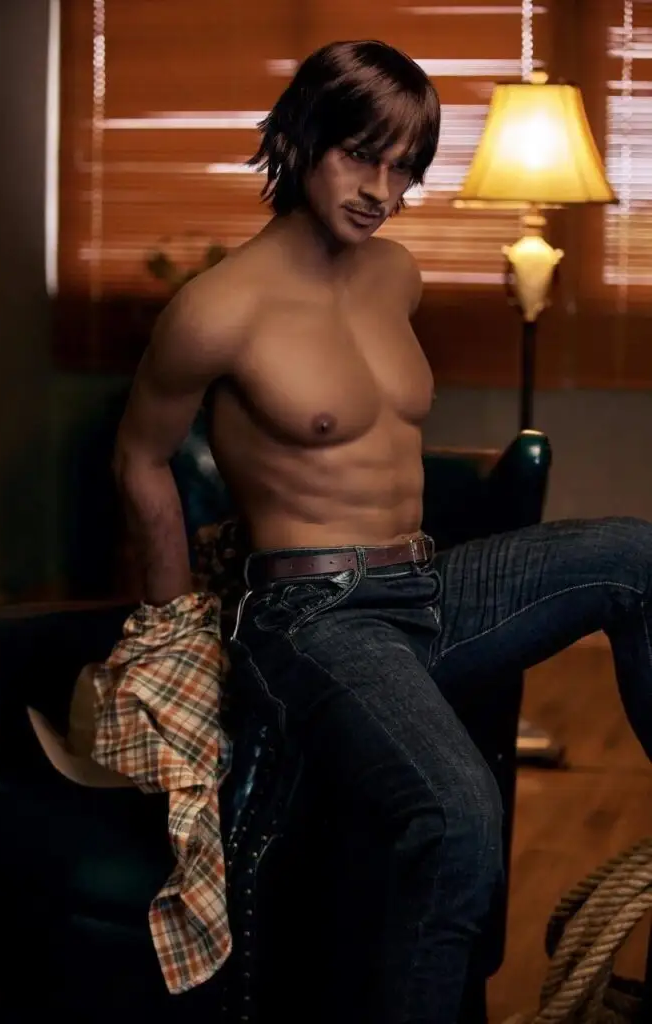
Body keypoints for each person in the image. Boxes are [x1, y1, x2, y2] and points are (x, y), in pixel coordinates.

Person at [113, 39, 652, 1024]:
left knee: (635, 556)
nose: (382, 190)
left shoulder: (394, 274)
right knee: (459, 820)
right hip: (311, 614)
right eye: (361, 155)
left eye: (404, 167)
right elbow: (140, 459)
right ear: (303, 138)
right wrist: (169, 627)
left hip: (421, 586)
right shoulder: (217, 309)